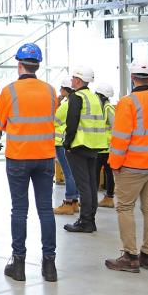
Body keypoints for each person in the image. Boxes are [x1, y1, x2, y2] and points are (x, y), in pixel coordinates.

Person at [105, 56, 148, 273]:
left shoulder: (127, 102)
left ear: (133, 77)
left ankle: (130, 256)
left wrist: (114, 164)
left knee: (125, 207)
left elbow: (121, 138)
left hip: (132, 165)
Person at [0, 43, 58, 283]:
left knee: (19, 209)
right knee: (45, 210)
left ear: (19, 65)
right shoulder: (50, 91)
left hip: (19, 157)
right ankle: (49, 265)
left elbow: (0, 124)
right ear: (37, 65)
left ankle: (18, 264)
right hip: (44, 157)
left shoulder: (9, 91)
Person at [62, 65, 108, 233]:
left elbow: (72, 123)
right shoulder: (93, 97)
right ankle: (90, 219)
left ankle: (85, 221)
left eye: (73, 77)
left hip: (79, 146)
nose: (72, 80)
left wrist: (67, 144)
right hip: (93, 146)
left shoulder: (76, 97)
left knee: (83, 186)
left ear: (79, 80)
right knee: (90, 185)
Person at [54, 78, 80, 215]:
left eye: (61, 88)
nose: (59, 91)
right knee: (72, 172)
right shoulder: (76, 102)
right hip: (71, 142)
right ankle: (74, 202)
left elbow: (54, 121)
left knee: (68, 173)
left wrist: (56, 105)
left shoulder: (65, 105)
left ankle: (69, 202)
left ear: (65, 90)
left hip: (61, 143)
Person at [95, 82, 116, 209]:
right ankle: (106, 197)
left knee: (103, 172)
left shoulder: (108, 108)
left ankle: (108, 198)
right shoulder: (103, 107)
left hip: (106, 147)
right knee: (104, 172)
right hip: (101, 146)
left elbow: (115, 127)